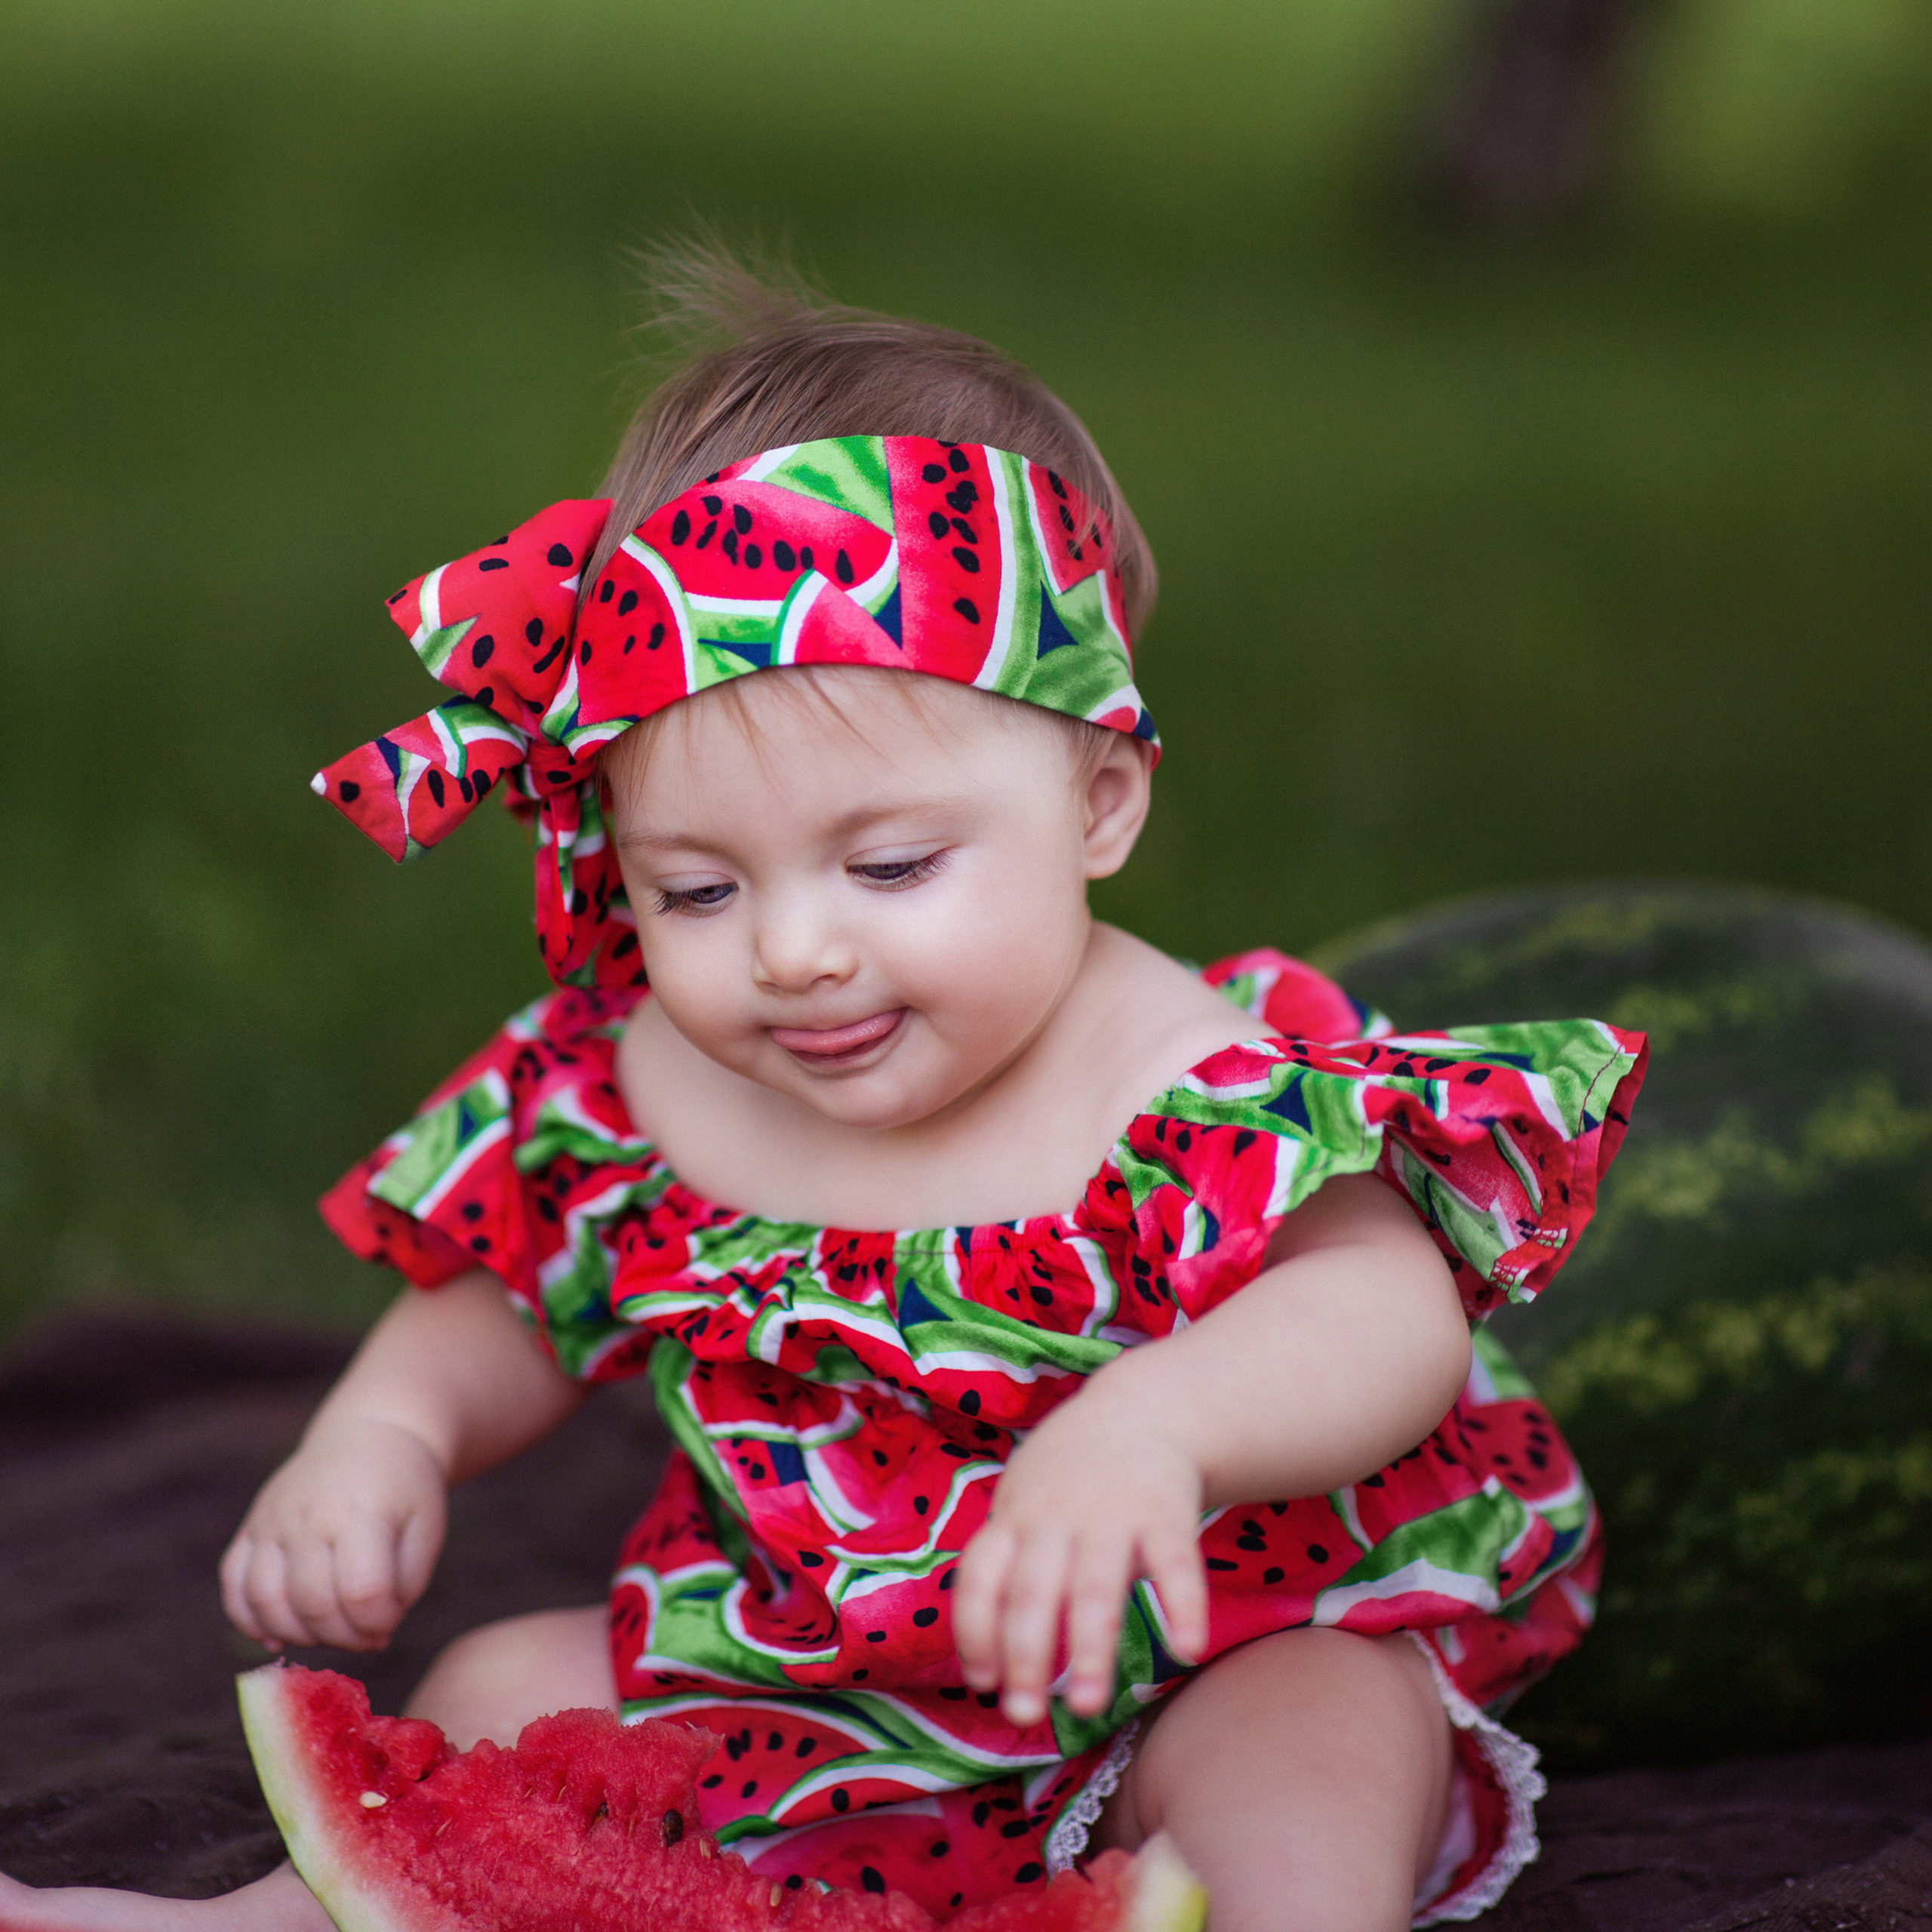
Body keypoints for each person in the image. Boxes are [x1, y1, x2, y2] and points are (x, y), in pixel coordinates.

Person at [2, 254, 1644, 1932]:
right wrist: (386, 1431)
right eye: (696, 889)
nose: (790, 951)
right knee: (503, 1674)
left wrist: (1153, 1427)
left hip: (1184, 1654)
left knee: (1315, 1723)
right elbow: (511, 1290)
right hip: (789, 1694)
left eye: (888, 861)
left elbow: (1387, 1314)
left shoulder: (1201, 1082)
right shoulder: (636, 1088)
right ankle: (267, 1919)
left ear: (1098, 802)